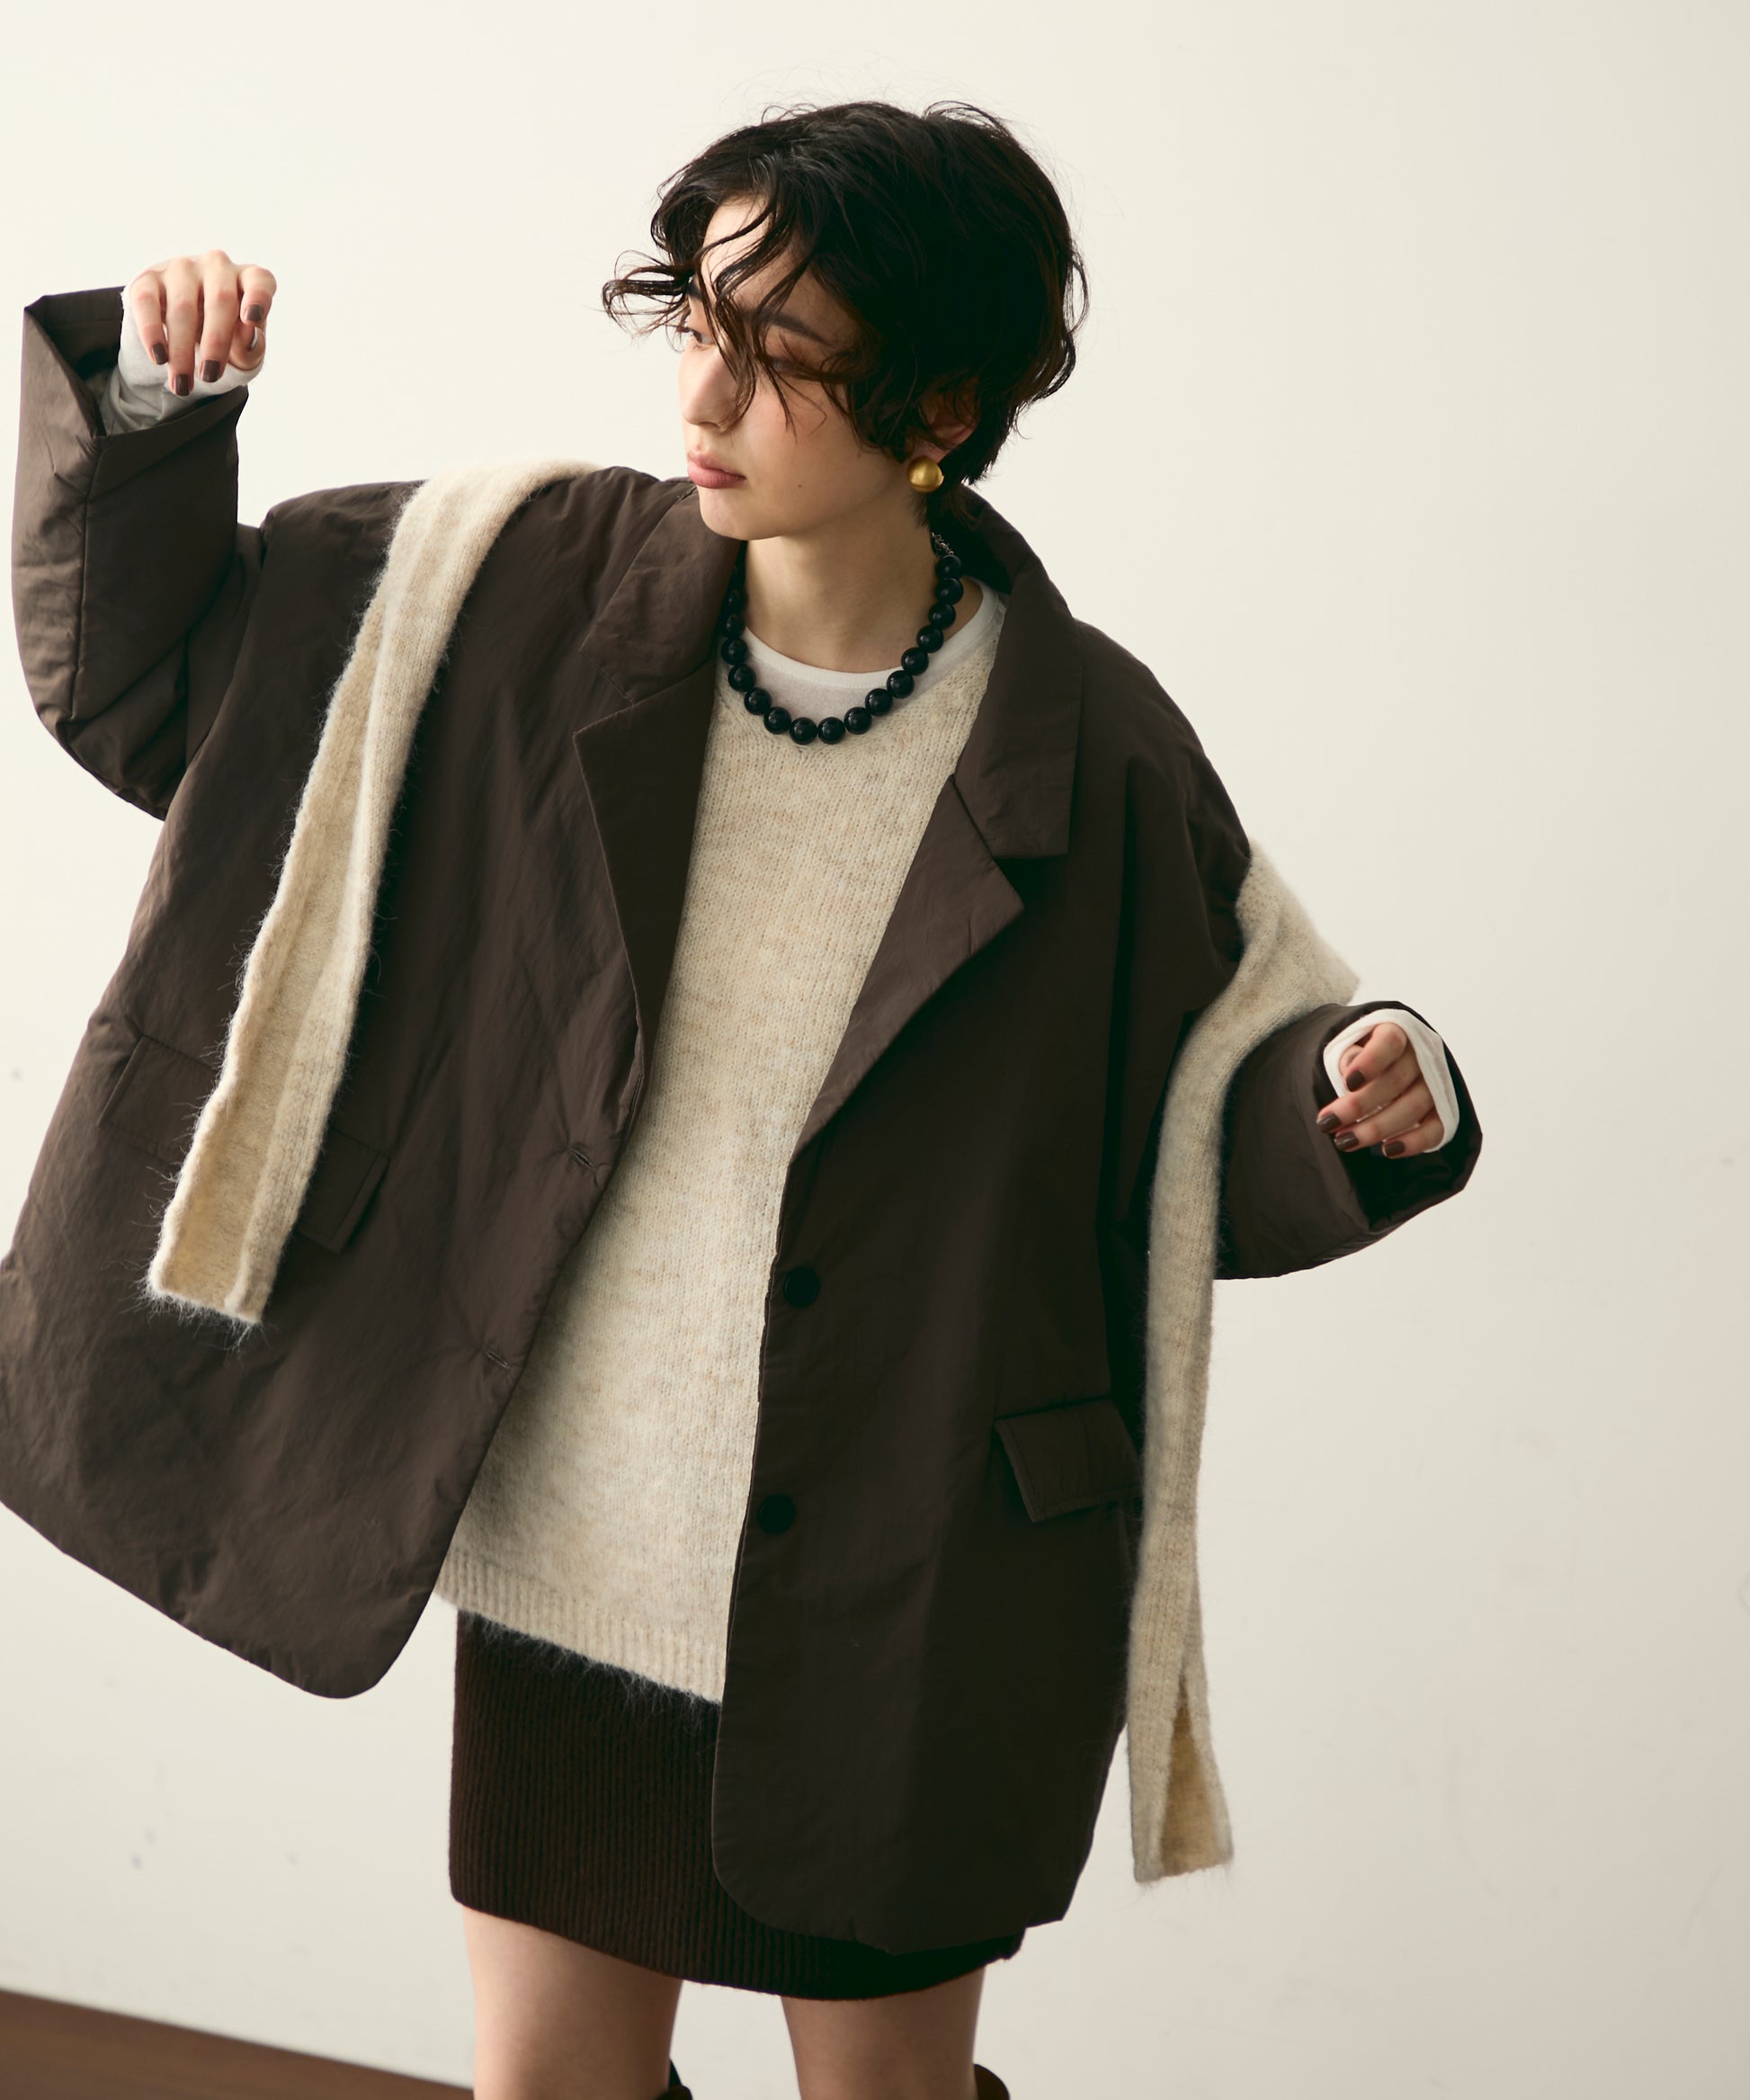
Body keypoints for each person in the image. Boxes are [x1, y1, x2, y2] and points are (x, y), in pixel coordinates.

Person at [8, 99, 1480, 2100]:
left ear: (938, 405)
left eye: (776, 356)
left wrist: (1363, 1100)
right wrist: (155, 407)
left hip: (895, 1576)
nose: (700, 394)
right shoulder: (514, 594)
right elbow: (156, 689)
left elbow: (1209, 1109)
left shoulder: (1087, 745)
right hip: (569, 1561)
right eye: (695, 321)